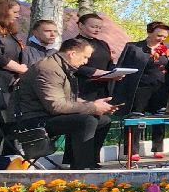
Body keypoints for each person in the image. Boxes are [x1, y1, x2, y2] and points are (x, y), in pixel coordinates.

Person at [14, 37, 116, 168]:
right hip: (32, 119)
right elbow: (56, 106)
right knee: (86, 121)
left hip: (46, 114)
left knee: (104, 120)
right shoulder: (48, 69)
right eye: (85, 57)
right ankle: (81, 168)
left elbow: (68, 99)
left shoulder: (61, 66)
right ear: (72, 54)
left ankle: (89, 162)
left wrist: (97, 105)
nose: (85, 62)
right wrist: (92, 107)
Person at [114, 21, 169, 160]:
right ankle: (133, 151)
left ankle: (158, 148)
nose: (162, 39)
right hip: (139, 88)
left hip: (161, 88)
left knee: (160, 117)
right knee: (135, 118)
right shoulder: (133, 47)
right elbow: (121, 66)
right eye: (159, 35)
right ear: (149, 33)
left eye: (164, 37)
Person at [74, 11, 117, 102]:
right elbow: (73, 66)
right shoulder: (73, 44)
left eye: (99, 27)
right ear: (81, 26)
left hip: (102, 89)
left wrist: (116, 73)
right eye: (93, 27)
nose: (97, 30)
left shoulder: (103, 44)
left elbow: (109, 63)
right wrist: (96, 72)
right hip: (83, 88)